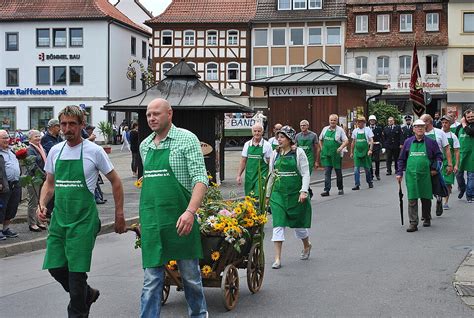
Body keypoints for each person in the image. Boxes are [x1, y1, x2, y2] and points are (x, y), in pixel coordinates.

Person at [36, 105, 126, 317]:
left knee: (76, 276)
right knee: (55, 267)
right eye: (64, 124)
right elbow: (49, 183)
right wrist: (42, 204)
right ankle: (87, 294)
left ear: (82, 125)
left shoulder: (94, 151)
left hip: (83, 221)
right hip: (59, 219)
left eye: (72, 124)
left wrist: (119, 214)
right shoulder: (55, 151)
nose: (67, 129)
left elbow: (116, 181)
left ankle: (79, 303)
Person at [139, 98, 208, 317]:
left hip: (181, 220)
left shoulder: (186, 139)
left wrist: (190, 212)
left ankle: (199, 314)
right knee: (151, 280)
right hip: (153, 221)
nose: (151, 118)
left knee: (190, 278)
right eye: (149, 114)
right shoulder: (145, 145)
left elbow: (200, 178)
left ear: (170, 114)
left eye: (156, 114)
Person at [266, 126, 312, 269]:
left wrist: (304, 191)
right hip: (278, 194)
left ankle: (307, 245)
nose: (278, 139)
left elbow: (305, 173)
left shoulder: (298, 153)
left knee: (299, 226)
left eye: (282, 137)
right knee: (278, 224)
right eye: (278, 137)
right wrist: (268, 194)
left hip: (295, 194)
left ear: (289, 139)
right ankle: (278, 259)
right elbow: (271, 175)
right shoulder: (275, 154)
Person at [397, 120, 443, 232]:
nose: (420, 129)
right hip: (411, 175)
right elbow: (401, 159)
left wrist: (435, 169)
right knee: (412, 198)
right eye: (417, 127)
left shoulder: (431, 142)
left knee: (426, 197)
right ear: (413, 129)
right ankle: (413, 223)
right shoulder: (408, 142)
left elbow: (439, 157)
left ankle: (426, 217)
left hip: (426, 175)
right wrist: (399, 173)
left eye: (422, 127)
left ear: (425, 128)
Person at [420, 114, 453, 216]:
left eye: (422, 123)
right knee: (424, 187)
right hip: (423, 163)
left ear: (428, 122)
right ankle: (426, 213)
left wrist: (450, 164)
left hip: (437, 162)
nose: (420, 126)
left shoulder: (439, 133)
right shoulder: (419, 134)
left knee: (434, 183)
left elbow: (446, 148)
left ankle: (438, 197)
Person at [236, 123, 272, 197]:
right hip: (249, 176)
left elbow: (270, 162)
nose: (257, 133)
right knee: (248, 198)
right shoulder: (247, 144)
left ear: (262, 132)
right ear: (252, 132)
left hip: (261, 176)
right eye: (255, 131)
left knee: (259, 196)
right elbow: (243, 161)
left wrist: (271, 177)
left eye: (259, 131)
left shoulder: (267, 145)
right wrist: (239, 175)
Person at [319, 114, 349, 196]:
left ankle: (340, 188)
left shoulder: (340, 130)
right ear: (329, 120)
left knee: (338, 173)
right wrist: (322, 148)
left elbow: (346, 141)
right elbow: (320, 139)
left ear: (337, 121)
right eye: (331, 120)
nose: (332, 122)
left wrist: (341, 147)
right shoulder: (325, 129)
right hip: (327, 155)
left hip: (336, 156)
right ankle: (326, 190)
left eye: (334, 120)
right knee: (327, 173)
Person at [0, 130, 21, 240]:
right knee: (1, 208)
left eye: (7, 137)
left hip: (15, 183)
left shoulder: (12, 151)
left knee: (12, 207)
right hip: (3, 185)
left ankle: (6, 228)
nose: (7, 140)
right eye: (4, 138)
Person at [26, 130, 48, 232]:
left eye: (39, 136)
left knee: (40, 201)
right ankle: (32, 223)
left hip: (42, 178)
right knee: (33, 202)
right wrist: (44, 175)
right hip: (34, 179)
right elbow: (32, 166)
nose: (38, 138)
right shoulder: (30, 149)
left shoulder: (40, 147)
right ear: (30, 139)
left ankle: (39, 221)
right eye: (36, 137)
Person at [440, 116, 460, 209]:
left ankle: (445, 202)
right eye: (443, 123)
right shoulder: (438, 134)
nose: (444, 124)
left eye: (446, 123)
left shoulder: (453, 136)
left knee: (447, 183)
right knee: (438, 182)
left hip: (449, 163)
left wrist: (456, 165)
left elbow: (456, 151)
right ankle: (439, 197)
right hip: (439, 162)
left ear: (450, 124)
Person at [350, 116, 374, 190]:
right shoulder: (355, 131)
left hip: (365, 152)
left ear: (364, 123)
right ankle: (357, 184)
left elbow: (371, 141)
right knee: (356, 169)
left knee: (367, 169)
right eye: (358, 122)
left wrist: (370, 150)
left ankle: (369, 182)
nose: (360, 123)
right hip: (357, 152)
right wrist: (351, 152)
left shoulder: (368, 130)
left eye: (361, 122)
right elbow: (353, 142)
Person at [456, 109, 474, 203]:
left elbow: (470, 132)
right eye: (469, 117)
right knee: (458, 175)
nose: (471, 118)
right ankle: (462, 188)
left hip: (472, 155)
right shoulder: (459, 127)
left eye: (472, 117)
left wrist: (464, 124)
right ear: (465, 117)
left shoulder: (466, 126)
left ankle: (469, 195)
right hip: (461, 154)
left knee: (471, 176)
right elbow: (455, 138)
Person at [368, 115, 383, 181]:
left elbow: (382, 138)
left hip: (376, 145)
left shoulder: (379, 128)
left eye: (373, 120)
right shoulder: (367, 129)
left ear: (375, 121)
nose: (372, 121)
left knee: (377, 160)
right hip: (369, 146)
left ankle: (377, 174)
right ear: (369, 121)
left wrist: (383, 147)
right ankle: (371, 175)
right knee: (369, 161)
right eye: (371, 120)